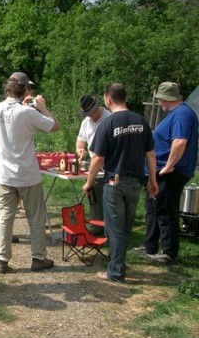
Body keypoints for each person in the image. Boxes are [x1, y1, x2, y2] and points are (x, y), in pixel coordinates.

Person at [83, 83, 158, 282]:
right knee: (124, 227)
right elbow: (150, 154)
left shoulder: (108, 123)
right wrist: (153, 180)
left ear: (108, 99)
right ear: (124, 98)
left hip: (114, 183)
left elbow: (97, 158)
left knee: (114, 229)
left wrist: (88, 182)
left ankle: (115, 272)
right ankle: (119, 264)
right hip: (135, 183)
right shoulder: (141, 122)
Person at [0, 72, 59, 274]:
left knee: (5, 216)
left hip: (5, 174)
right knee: (35, 216)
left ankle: (2, 259)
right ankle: (38, 257)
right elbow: (54, 126)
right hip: (28, 174)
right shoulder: (28, 112)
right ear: (25, 89)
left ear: (8, 89)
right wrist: (41, 106)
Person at [132, 82, 198, 264]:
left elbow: (179, 142)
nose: (159, 102)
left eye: (159, 99)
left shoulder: (183, 114)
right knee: (152, 208)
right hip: (157, 171)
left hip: (170, 172)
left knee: (166, 211)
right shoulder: (176, 113)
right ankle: (150, 246)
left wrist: (168, 166)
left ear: (167, 98)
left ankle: (169, 252)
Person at [76, 94, 111, 231]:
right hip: (93, 161)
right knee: (93, 195)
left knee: (109, 196)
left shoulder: (109, 118)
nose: (90, 116)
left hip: (109, 161)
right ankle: (96, 226)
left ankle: (109, 228)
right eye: (87, 114)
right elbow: (80, 141)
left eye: (91, 113)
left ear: (97, 108)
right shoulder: (86, 122)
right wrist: (80, 150)